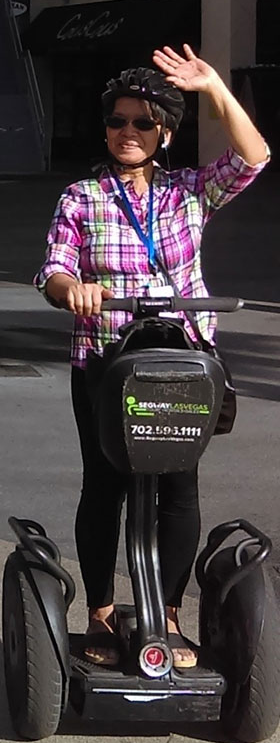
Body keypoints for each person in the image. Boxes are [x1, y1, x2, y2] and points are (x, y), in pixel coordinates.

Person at [37, 48, 268, 670]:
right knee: (104, 482)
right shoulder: (82, 196)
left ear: (164, 131)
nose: (128, 132)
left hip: (182, 360)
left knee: (178, 484)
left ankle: (166, 615)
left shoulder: (189, 191)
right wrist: (73, 290)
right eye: (118, 121)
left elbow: (255, 156)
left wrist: (216, 86)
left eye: (143, 122)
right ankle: (102, 614)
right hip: (106, 360)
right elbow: (54, 268)